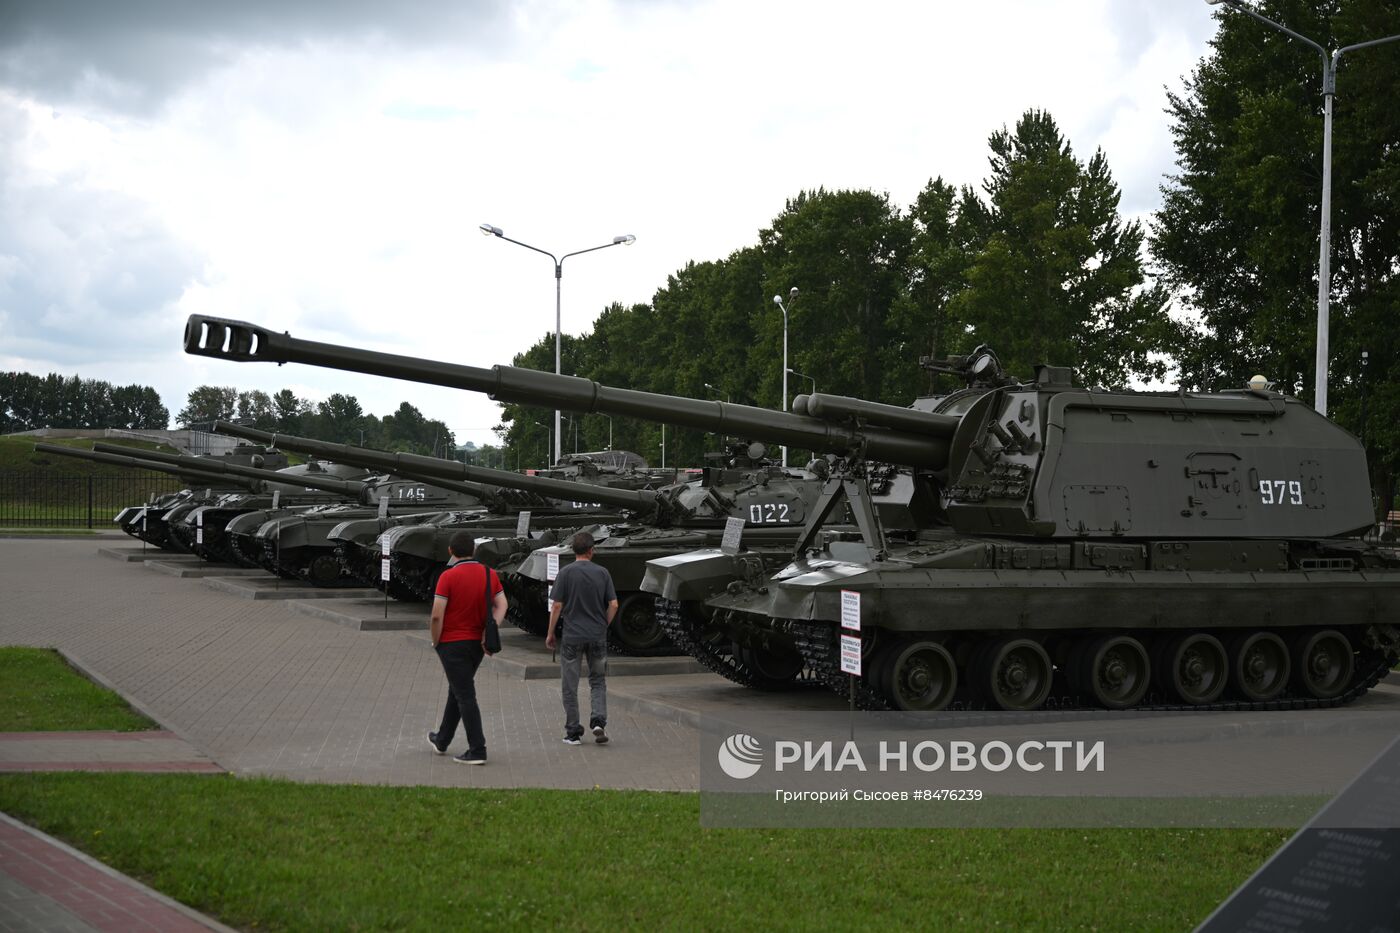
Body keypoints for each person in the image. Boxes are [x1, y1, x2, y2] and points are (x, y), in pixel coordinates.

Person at [427, 531, 506, 765]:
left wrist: (436, 640)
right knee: (458, 690)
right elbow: (502, 604)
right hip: (477, 643)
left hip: (451, 642)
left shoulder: (448, 576)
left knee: (465, 695)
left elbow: (436, 616)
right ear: (474, 550)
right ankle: (442, 739)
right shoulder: (489, 573)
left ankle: (477, 749)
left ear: (450, 551)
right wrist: (489, 629)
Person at [545, 531, 618, 746]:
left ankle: (573, 733)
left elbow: (557, 605)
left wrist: (550, 633)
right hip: (597, 635)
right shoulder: (603, 573)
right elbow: (614, 604)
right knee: (597, 680)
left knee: (570, 684)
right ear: (591, 550)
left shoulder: (566, 573)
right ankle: (598, 722)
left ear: (573, 550)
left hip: (572, 636)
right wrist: (603, 624)